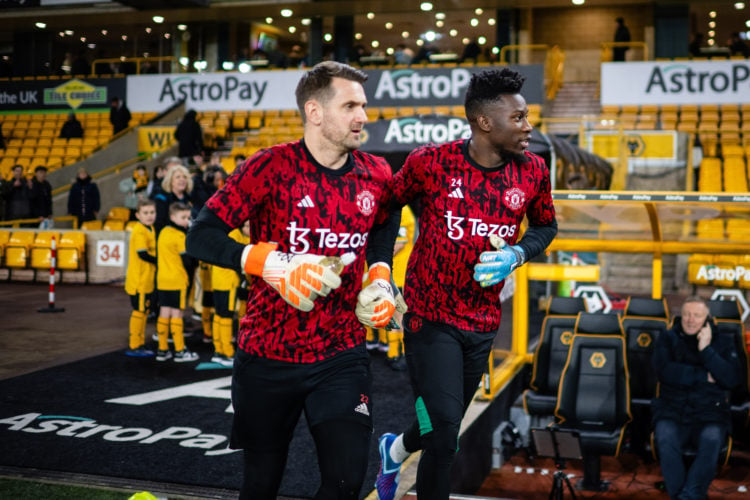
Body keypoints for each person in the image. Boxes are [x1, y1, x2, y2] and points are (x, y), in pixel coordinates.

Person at [186, 61, 398, 500]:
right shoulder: (270, 167)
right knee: (260, 484)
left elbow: (385, 220)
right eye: (351, 106)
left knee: (344, 482)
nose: (364, 116)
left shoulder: (376, 173)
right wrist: (265, 262)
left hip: (341, 353)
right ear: (315, 111)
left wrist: (379, 271)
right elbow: (200, 235)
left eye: (364, 105)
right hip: (266, 353)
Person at [372, 67, 558, 500]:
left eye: (527, 116)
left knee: (444, 422)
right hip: (428, 316)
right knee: (444, 436)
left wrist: (516, 254)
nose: (528, 126)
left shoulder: (532, 171)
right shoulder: (430, 162)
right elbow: (387, 205)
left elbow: (546, 227)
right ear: (484, 122)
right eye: (518, 118)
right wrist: (380, 269)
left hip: (482, 320)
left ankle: (394, 448)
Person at [652, 296, 740, 500]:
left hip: (710, 411)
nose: (691, 320)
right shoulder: (667, 338)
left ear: (707, 318)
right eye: (687, 314)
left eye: (697, 315)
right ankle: (688, 496)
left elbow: (731, 379)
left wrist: (706, 350)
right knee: (665, 436)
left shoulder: (724, 341)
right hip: (672, 408)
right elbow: (664, 371)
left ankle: (688, 495)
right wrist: (703, 375)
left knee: (712, 439)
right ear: (681, 316)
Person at [155, 201, 199, 362]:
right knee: (177, 314)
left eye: (189, 217)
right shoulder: (180, 236)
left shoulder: (163, 232)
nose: (187, 220)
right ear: (173, 217)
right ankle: (180, 350)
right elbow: (189, 261)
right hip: (177, 279)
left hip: (162, 279)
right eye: (183, 217)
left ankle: (162, 349)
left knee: (164, 313)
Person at [210, 219, 250, 367]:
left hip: (219, 279)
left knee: (219, 314)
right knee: (225, 314)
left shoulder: (230, 234)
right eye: (247, 226)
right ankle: (227, 352)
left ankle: (218, 349)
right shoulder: (235, 236)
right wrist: (242, 278)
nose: (249, 229)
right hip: (228, 281)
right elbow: (235, 261)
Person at [124, 199, 157, 357]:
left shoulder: (150, 228)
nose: (149, 216)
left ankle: (140, 342)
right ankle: (135, 344)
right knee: (139, 311)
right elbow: (142, 254)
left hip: (147, 280)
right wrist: (161, 261)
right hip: (139, 281)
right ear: (138, 215)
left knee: (144, 311)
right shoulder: (139, 230)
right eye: (145, 213)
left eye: (152, 212)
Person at [152, 163, 192, 233]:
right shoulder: (162, 199)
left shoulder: (190, 198)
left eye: (184, 177)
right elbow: (160, 224)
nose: (182, 179)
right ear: (171, 181)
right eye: (178, 177)